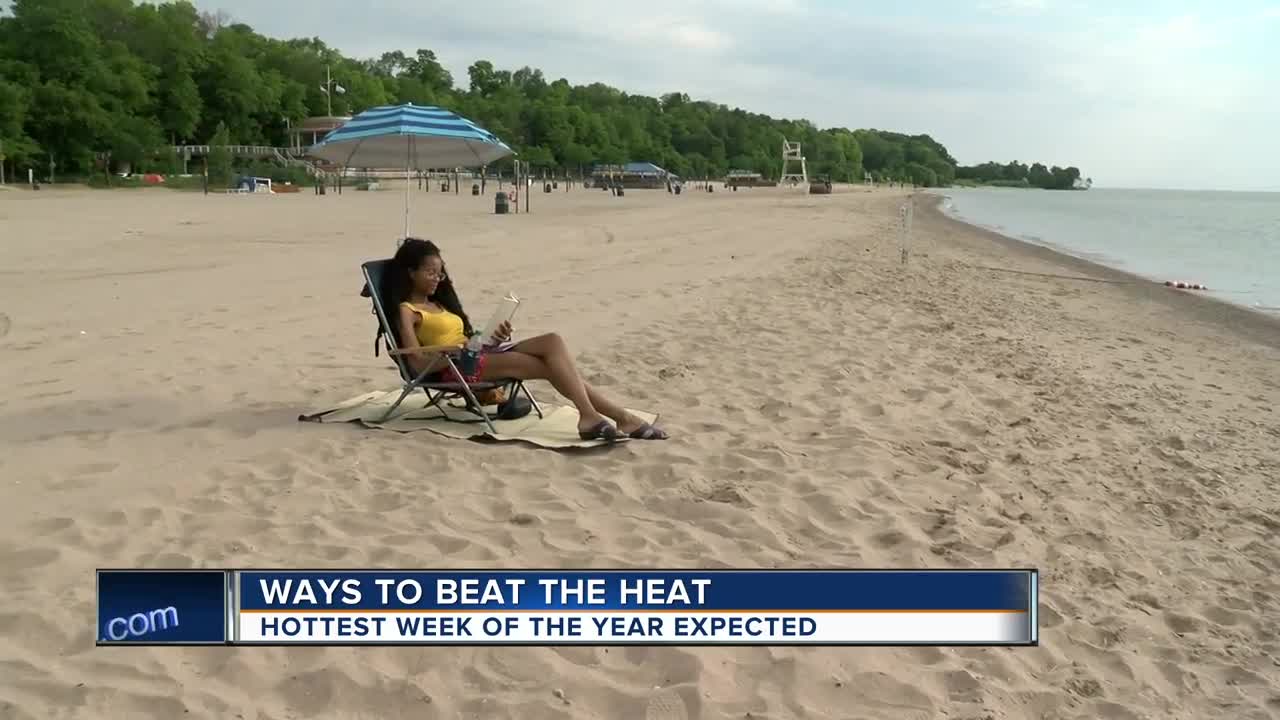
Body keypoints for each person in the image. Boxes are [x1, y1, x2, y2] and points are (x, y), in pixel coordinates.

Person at [382, 238, 667, 442]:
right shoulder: (409, 311)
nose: (437, 279)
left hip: (476, 352)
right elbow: (417, 365)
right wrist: (449, 350)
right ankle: (608, 417)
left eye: (440, 273)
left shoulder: (441, 304)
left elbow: (466, 337)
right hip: (455, 366)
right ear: (411, 273)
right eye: (430, 272)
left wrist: (493, 336)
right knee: (549, 366)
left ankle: (598, 415)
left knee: (552, 342)